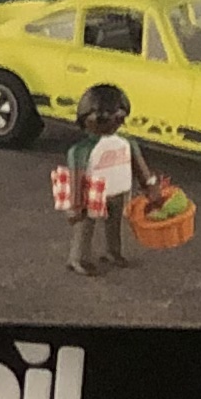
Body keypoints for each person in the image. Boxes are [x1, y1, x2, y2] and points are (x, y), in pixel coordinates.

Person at [61, 84, 139, 277]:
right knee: (85, 226)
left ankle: (112, 252)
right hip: (91, 192)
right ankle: (77, 258)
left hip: (118, 189)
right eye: (103, 118)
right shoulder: (82, 150)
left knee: (115, 224)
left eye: (118, 117)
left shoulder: (126, 142)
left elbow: (139, 165)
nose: (112, 122)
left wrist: (150, 185)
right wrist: (76, 205)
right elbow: (76, 177)